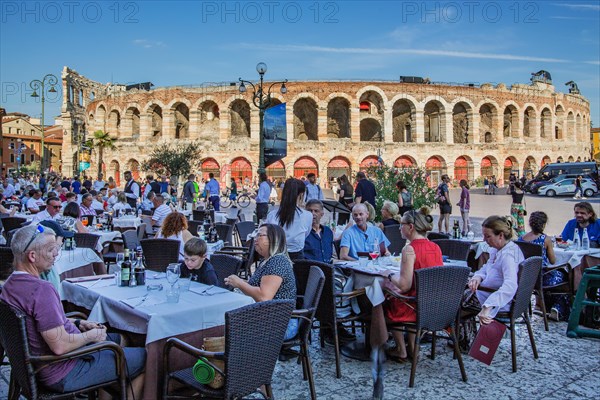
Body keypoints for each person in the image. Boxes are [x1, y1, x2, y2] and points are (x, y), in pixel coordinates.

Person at [0, 224, 146, 396]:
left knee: (121, 339)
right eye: (51, 250)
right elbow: (60, 346)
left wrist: (78, 322)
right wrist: (90, 336)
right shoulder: (41, 290)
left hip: (36, 364)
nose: (56, 254)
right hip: (61, 370)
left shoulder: (9, 285)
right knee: (147, 358)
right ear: (32, 256)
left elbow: (36, 321)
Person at [383, 207, 442, 361]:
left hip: (415, 306)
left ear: (411, 227)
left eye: (401, 223)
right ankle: (413, 348)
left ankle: (401, 349)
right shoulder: (435, 247)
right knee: (404, 296)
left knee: (389, 298)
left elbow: (404, 285)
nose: (399, 227)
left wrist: (388, 275)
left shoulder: (409, 249)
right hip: (433, 304)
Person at [224, 224, 298, 340]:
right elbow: (259, 286)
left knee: (225, 325)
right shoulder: (268, 260)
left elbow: (264, 297)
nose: (255, 239)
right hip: (268, 317)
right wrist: (240, 282)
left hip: (280, 324)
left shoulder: (278, 261)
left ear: (273, 239)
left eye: (260, 235)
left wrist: (240, 284)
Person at [466, 216, 524, 324]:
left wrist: (488, 305)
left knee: (454, 301)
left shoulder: (508, 256)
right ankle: (463, 335)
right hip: (489, 294)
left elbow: (510, 285)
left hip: (497, 300)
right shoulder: (502, 249)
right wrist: (478, 276)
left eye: (488, 236)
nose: (484, 240)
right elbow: (487, 267)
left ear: (501, 235)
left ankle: (459, 336)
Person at [266, 178, 312, 260]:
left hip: (275, 257)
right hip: (297, 259)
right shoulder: (307, 216)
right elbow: (306, 234)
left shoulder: (272, 215)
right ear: (301, 195)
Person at [304, 199, 334, 263]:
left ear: (322, 213)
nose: (312, 213)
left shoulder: (328, 232)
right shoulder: (303, 232)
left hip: (327, 268)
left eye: (316, 211)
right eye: (310, 211)